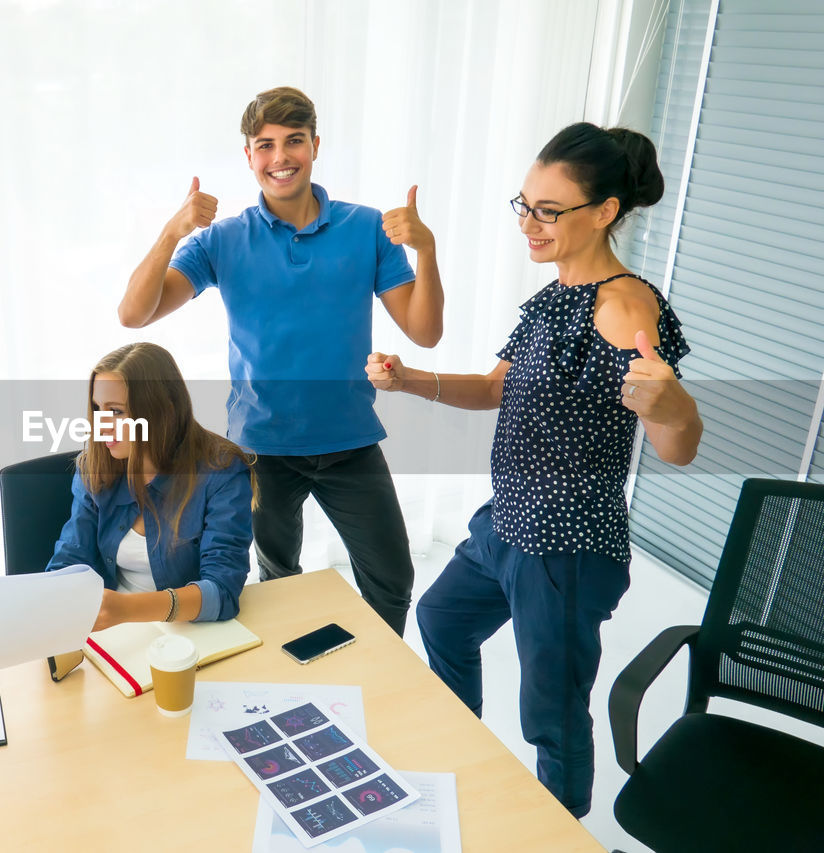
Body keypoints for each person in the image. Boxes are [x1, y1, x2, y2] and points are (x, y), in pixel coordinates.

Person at [366, 122, 703, 816]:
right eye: (523, 204)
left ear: (605, 211)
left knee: (550, 715)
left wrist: (673, 408)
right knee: (442, 618)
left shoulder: (621, 307)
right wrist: (409, 380)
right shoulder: (556, 296)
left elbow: (678, 445)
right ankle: (460, 767)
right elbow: (495, 389)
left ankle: (558, 827)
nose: (529, 223)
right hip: (507, 524)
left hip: (565, 548)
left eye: (548, 211)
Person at [118, 86, 443, 636]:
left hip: (349, 440)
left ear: (315, 146)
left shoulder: (365, 228)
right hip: (260, 448)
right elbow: (134, 315)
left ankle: (380, 679)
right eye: (264, 145)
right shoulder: (222, 239)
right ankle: (295, 680)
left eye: (293, 141)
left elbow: (425, 332)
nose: (280, 157)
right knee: (277, 579)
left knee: (391, 579)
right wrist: (174, 230)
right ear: (249, 156)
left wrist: (427, 250)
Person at [46, 342, 256, 629]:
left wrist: (127, 610)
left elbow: (222, 592)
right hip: (112, 634)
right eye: (97, 409)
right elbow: (70, 561)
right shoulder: (93, 467)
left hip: (189, 632)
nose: (102, 425)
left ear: (163, 411)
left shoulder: (222, 471)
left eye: (117, 411)